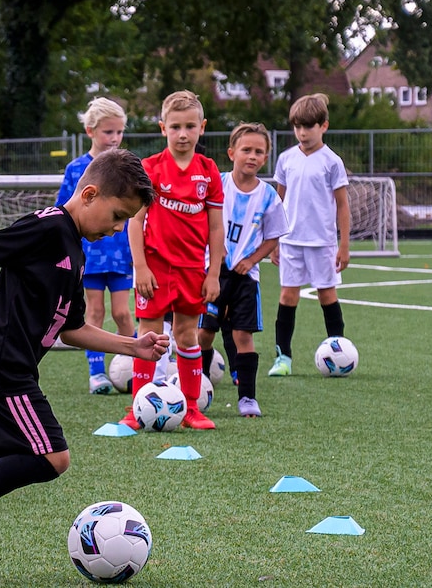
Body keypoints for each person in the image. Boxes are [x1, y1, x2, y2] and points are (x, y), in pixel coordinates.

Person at [0, 148, 169, 581]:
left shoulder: (75, 251)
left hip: (10, 366)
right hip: (2, 363)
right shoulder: (49, 227)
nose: (118, 229)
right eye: (117, 216)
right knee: (52, 457)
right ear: (90, 193)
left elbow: (71, 327)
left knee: (23, 461)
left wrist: (133, 346)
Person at [118, 89, 225, 431]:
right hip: (155, 269)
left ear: (202, 128)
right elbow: (135, 222)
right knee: (149, 335)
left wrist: (214, 274)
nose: (183, 134)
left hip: (193, 269)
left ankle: (191, 408)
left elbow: (216, 228)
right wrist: (141, 267)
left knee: (187, 335)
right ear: (163, 127)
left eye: (190, 126)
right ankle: (138, 409)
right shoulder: (149, 168)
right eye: (175, 126)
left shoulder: (209, 172)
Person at [197, 122, 288, 418]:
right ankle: (200, 383)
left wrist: (252, 259)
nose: (252, 156)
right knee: (205, 333)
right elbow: (201, 220)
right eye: (246, 149)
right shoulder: (217, 184)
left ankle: (247, 398)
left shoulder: (269, 196)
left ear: (265, 158)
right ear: (231, 152)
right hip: (213, 273)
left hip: (246, 279)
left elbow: (274, 235)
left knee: (242, 336)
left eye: (259, 151)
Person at [54, 97, 134, 395]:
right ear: (90, 131)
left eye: (119, 132)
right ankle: (97, 373)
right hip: (89, 257)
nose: (114, 139)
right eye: (108, 132)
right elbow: (63, 210)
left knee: (123, 314)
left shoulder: (126, 167)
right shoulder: (77, 169)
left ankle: (134, 367)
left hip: (121, 255)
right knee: (95, 312)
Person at [267, 93, 351, 376]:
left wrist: (344, 245)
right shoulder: (286, 159)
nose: (302, 133)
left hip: (322, 243)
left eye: (308, 127)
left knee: (327, 296)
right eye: (297, 127)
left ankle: (338, 355)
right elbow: (277, 203)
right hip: (290, 241)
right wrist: (274, 241)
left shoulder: (331, 162)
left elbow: (342, 205)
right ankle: (283, 359)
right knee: (288, 297)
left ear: (323, 126)